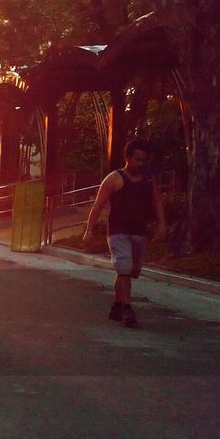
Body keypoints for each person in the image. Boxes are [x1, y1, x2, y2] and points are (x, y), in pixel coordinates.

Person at [82, 139, 167, 328]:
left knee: (128, 271)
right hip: (118, 232)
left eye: (144, 160)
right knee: (125, 268)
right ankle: (127, 308)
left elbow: (157, 202)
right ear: (127, 158)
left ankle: (117, 304)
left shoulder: (149, 180)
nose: (141, 164)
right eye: (137, 159)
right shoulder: (114, 179)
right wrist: (89, 230)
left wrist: (162, 224)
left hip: (139, 232)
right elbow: (98, 206)